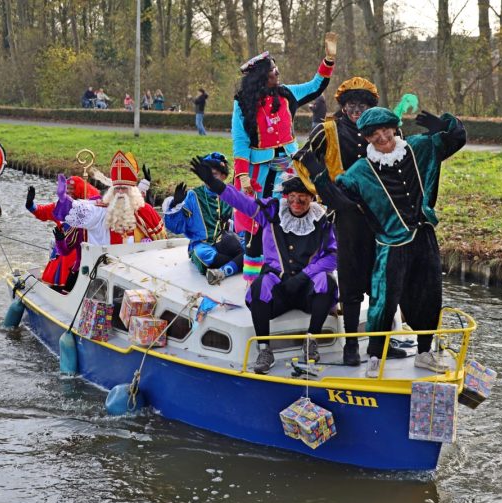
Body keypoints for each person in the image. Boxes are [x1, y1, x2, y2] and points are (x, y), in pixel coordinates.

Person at [303, 106, 466, 377]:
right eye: (374, 134)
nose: (382, 137)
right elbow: (339, 202)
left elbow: (456, 139)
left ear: (394, 128)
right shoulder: (359, 172)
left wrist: (445, 125)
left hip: (424, 237)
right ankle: (375, 357)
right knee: (384, 300)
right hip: (391, 245)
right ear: (366, 138)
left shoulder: (418, 147)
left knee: (428, 294)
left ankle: (424, 353)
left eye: (385, 130)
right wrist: (318, 174)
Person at [191, 160, 337, 374]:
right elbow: (241, 201)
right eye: (292, 198)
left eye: (302, 198)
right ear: (286, 197)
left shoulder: (322, 220)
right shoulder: (272, 211)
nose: (296, 202)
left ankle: (311, 341)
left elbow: (333, 256)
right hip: (278, 287)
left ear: (311, 198)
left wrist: (306, 275)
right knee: (260, 286)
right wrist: (215, 184)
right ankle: (264, 350)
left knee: (328, 282)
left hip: (307, 288)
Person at [231, 34, 336, 283]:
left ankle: (296, 274)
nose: (277, 73)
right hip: (260, 174)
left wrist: (328, 61)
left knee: (294, 217)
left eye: (276, 69)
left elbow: (315, 85)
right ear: (261, 77)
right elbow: (240, 141)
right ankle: (255, 282)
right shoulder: (242, 104)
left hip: (290, 169)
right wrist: (243, 174)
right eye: (273, 71)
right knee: (259, 223)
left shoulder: (287, 94)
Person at [293, 77, 382, 366]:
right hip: (345, 216)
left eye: (362, 105)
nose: (357, 111)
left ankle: (381, 341)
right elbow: (303, 158)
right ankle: (351, 346)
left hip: (379, 214)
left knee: (382, 278)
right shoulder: (327, 130)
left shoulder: (382, 130)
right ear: (343, 107)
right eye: (351, 105)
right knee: (351, 278)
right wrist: (324, 191)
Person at [52, 151, 168, 245]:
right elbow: (82, 210)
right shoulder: (102, 212)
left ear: (133, 192)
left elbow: (162, 243)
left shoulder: (145, 210)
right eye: (117, 188)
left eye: (124, 188)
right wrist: (64, 199)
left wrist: (150, 247)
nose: (120, 192)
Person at [163, 153, 244, 285]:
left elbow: (241, 223)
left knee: (250, 249)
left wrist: (243, 242)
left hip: (228, 242)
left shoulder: (230, 193)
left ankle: (224, 270)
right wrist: (175, 205)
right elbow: (176, 228)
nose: (210, 179)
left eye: (214, 174)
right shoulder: (193, 195)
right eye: (207, 175)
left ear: (223, 176)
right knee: (204, 255)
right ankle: (236, 263)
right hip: (203, 244)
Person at [26, 177, 101, 291]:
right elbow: (42, 212)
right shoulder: (59, 207)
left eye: (72, 189)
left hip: (78, 255)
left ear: (79, 190)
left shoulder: (90, 211)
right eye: (67, 189)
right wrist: (30, 204)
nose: (68, 192)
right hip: (62, 251)